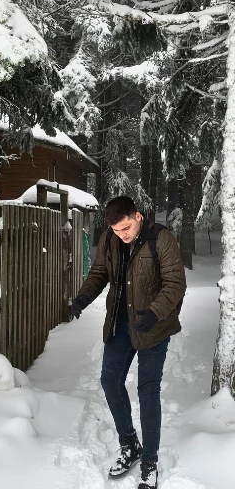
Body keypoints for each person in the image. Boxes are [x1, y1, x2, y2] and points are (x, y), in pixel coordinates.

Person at [71, 196, 186, 489]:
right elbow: (99, 273)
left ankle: (150, 461)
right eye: (116, 230)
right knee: (110, 381)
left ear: (137, 216)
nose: (121, 235)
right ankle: (129, 443)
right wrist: (83, 297)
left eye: (125, 228)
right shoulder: (110, 239)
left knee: (147, 391)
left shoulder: (160, 238)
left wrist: (155, 312)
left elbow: (175, 282)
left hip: (153, 326)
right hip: (120, 324)